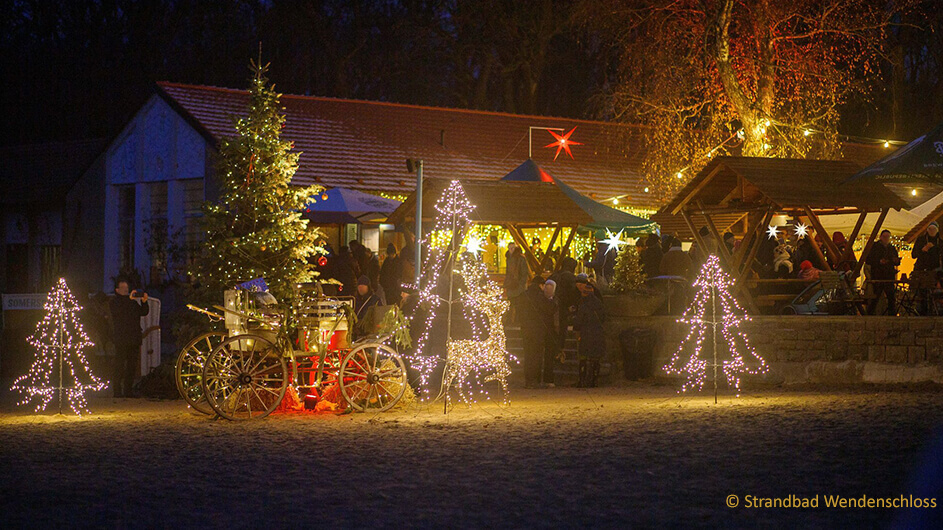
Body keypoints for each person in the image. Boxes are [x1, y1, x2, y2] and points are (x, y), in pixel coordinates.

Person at [109, 277, 149, 398]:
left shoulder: (132, 303)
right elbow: (120, 312)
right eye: (123, 288)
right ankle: (117, 390)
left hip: (133, 338)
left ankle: (128, 390)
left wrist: (144, 301)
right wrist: (129, 299)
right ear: (117, 290)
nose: (126, 290)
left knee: (132, 366)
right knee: (119, 365)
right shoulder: (114, 302)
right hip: (121, 339)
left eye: (127, 288)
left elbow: (143, 312)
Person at [519, 276, 553, 388]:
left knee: (528, 355)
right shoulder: (540, 296)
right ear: (541, 285)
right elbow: (548, 309)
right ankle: (535, 380)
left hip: (526, 329)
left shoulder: (524, 295)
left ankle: (528, 380)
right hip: (537, 330)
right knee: (537, 355)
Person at [574, 274, 605, 388]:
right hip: (598, 333)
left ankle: (582, 381)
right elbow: (603, 318)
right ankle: (594, 381)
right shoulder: (599, 303)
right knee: (595, 358)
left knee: (583, 357)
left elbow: (579, 320)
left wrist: (576, 331)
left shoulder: (584, 305)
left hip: (586, 334)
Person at [867, 230, 900, 315]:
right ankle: (870, 314)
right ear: (881, 237)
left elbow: (897, 261)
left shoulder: (892, 248)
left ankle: (892, 315)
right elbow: (868, 260)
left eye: (887, 237)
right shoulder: (874, 247)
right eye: (884, 237)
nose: (886, 239)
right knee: (876, 296)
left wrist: (895, 261)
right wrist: (879, 261)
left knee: (891, 297)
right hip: (878, 275)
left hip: (889, 275)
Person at [504, 242, 530, 323]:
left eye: (512, 248)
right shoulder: (509, 258)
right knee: (511, 304)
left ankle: (517, 321)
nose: (511, 250)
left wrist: (521, 283)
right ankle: (512, 321)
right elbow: (508, 272)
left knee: (518, 304)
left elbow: (524, 272)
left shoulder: (520, 259)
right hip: (512, 285)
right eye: (510, 248)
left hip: (518, 285)